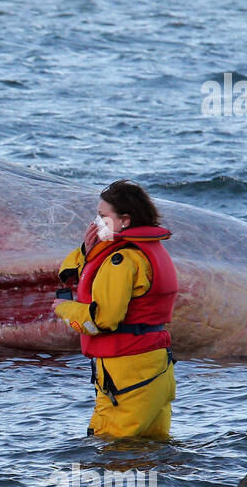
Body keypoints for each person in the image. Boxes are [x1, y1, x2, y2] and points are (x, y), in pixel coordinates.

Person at [52, 180, 178, 440]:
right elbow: (73, 272)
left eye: (102, 216)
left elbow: (103, 320)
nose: (96, 223)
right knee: (152, 450)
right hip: (155, 369)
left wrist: (65, 310)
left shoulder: (120, 260)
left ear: (125, 221)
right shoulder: (149, 250)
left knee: (114, 453)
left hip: (127, 375)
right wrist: (86, 252)